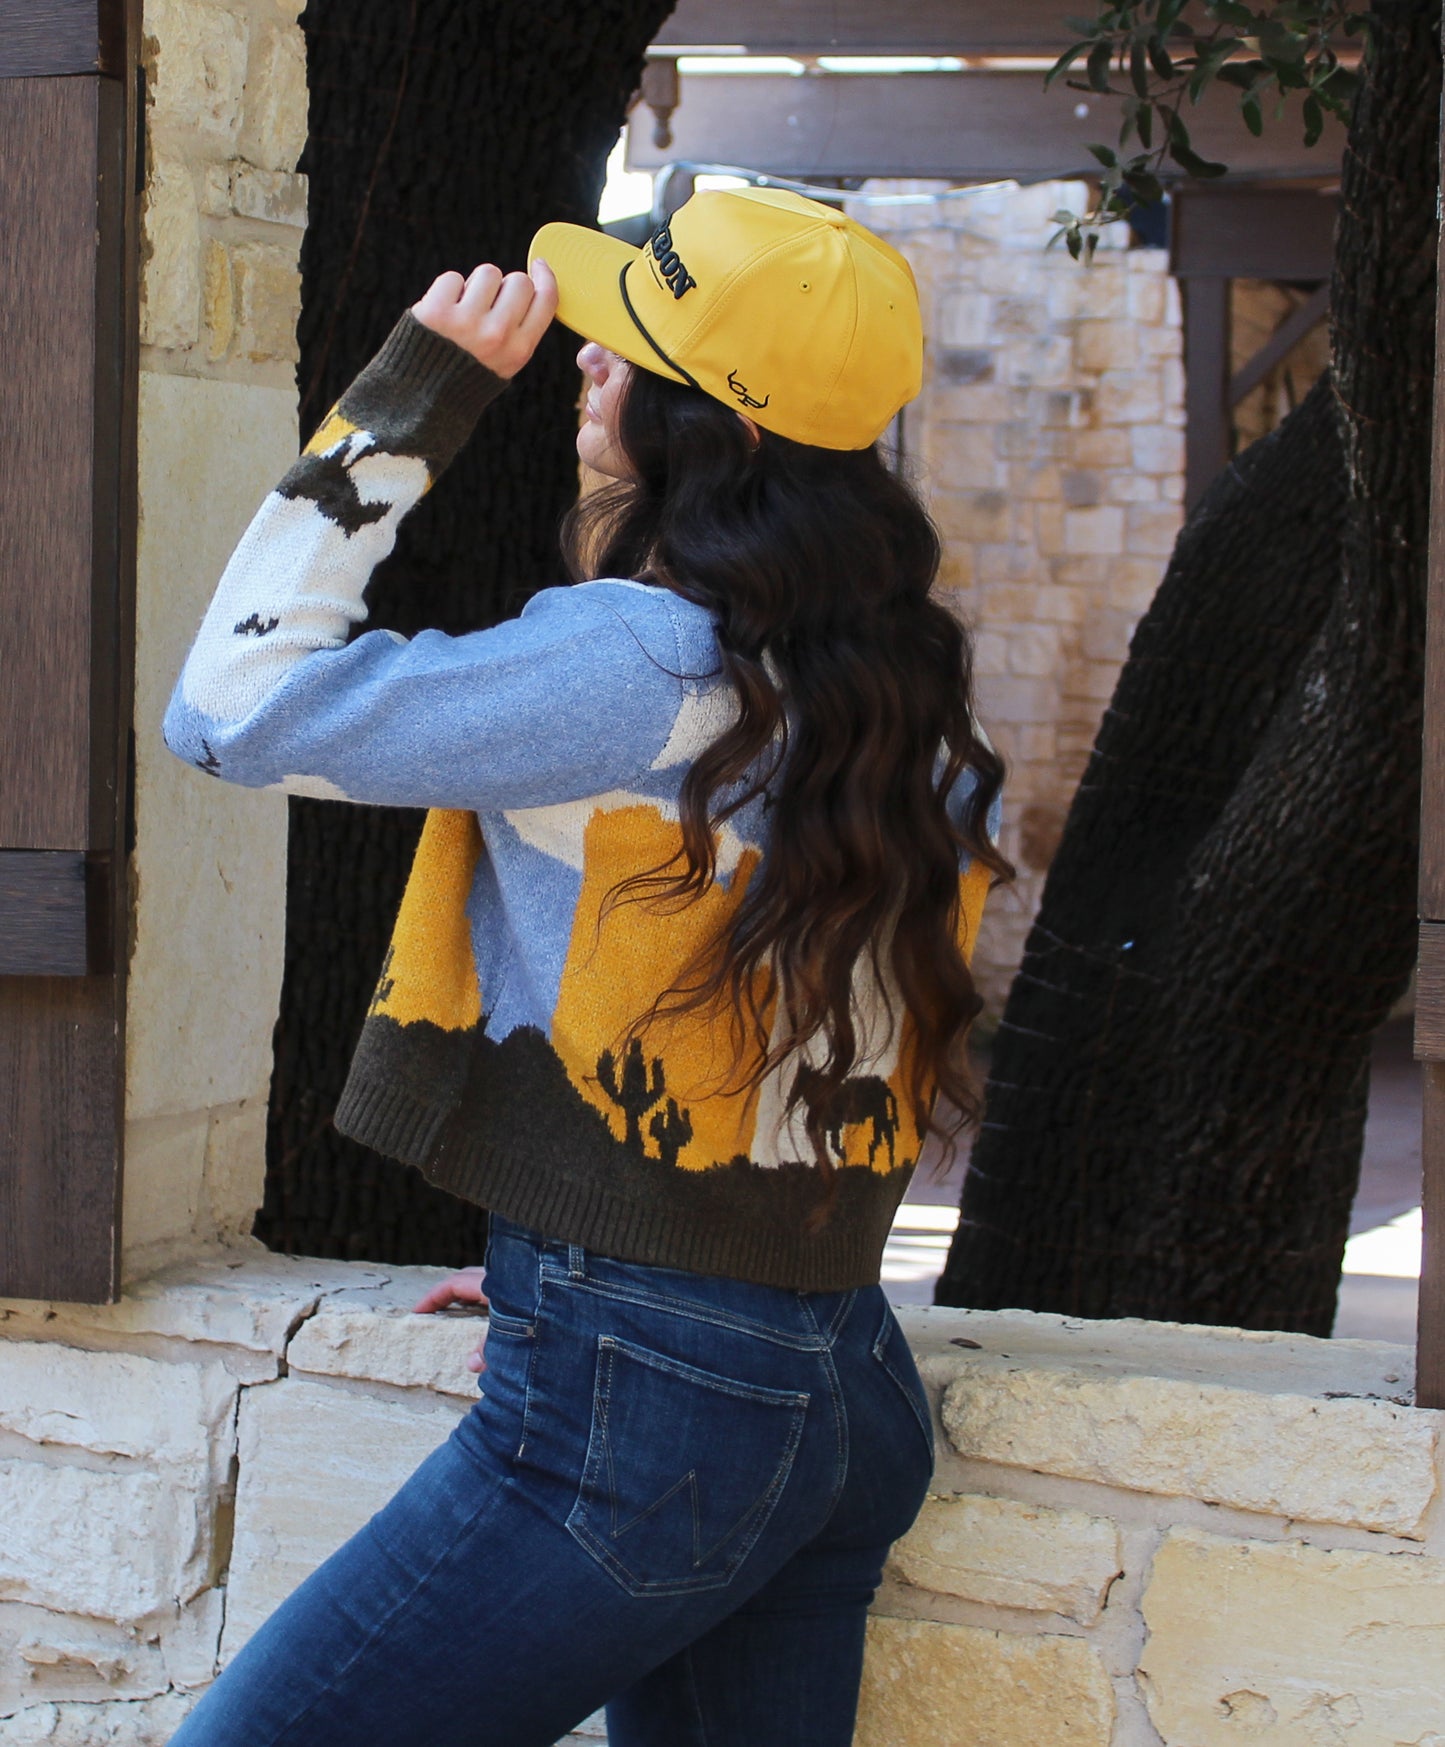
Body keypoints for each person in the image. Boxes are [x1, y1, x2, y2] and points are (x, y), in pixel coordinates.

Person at [162, 186, 1007, 1747]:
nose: (584, 372)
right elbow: (751, 1037)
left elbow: (228, 708)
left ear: (713, 435)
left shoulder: (633, 662)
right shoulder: (897, 688)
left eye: (618, 352)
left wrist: (410, 404)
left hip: (653, 1408)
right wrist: (587, 1232)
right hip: (819, 1365)